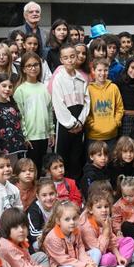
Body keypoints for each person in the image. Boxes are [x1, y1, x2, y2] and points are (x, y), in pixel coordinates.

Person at [0, 208, 72, 267]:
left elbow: (29, 261)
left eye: (23, 226)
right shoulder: (7, 247)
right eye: (15, 227)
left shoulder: (17, 240)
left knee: (41, 256)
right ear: (7, 229)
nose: (21, 230)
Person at [42, 201, 110, 267]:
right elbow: (64, 260)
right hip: (62, 266)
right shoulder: (52, 238)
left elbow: (81, 249)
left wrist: (88, 263)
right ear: (58, 221)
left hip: (77, 260)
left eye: (74, 218)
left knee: (96, 251)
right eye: (67, 219)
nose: (72, 222)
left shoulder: (76, 230)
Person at [78, 189, 134, 267]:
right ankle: (124, 261)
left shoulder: (106, 218)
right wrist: (105, 232)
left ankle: (120, 264)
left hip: (107, 247)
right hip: (95, 253)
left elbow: (112, 240)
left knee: (129, 240)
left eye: (106, 206)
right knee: (107, 259)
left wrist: (118, 255)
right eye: (99, 207)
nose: (104, 210)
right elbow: (98, 251)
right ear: (90, 210)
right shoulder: (86, 226)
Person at [52, 44, 90, 179]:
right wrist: (71, 123)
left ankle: (75, 186)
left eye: (72, 57)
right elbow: (58, 104)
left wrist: (80, 121)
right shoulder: (59, 79)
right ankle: (60, 187)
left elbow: (87, 101)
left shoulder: (81, 78)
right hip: (65, 123)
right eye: (66, 58)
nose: (70, 60)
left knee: (76, 156)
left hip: (80, 121)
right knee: (62, 157)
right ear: (61, 60)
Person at [14, 52, 54, 172]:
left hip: (44, 135)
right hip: (30, 137)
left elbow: (49, 111)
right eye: (29, 65)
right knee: (30, 169)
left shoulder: (44, 88)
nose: (33, 68)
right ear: (24, 69)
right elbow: (19, 116)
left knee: (42, 169)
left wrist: (51, 131)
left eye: (36, 65)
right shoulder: (20, 90)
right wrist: (24, 136)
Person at [85, 58, 123, 147]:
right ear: (93, 71)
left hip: (111, 135)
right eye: (99, 70)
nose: (103, 73)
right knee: (95, 160)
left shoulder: (114, 87)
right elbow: (86, 111)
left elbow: (119, 108)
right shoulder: (88, 89)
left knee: (110, 159)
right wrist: (92, 125)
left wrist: (115, 122)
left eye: (105, 70)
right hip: (94, 135)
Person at [0, 73, 27, 160]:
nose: (7, 89)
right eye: (4, 86)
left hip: (18, 150)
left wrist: (24, 140)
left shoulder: (13, 105)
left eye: (10, 87)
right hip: (2, 153)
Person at [26, 178, 57, 250]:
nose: (48, 198)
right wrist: (52, 236)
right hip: (39, 240)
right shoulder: (34, 210)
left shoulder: (59, 206)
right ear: (37, 196)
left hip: (57, 235)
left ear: (56, 193)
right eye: (44, 195)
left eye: (51, 194)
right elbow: (33, 233)